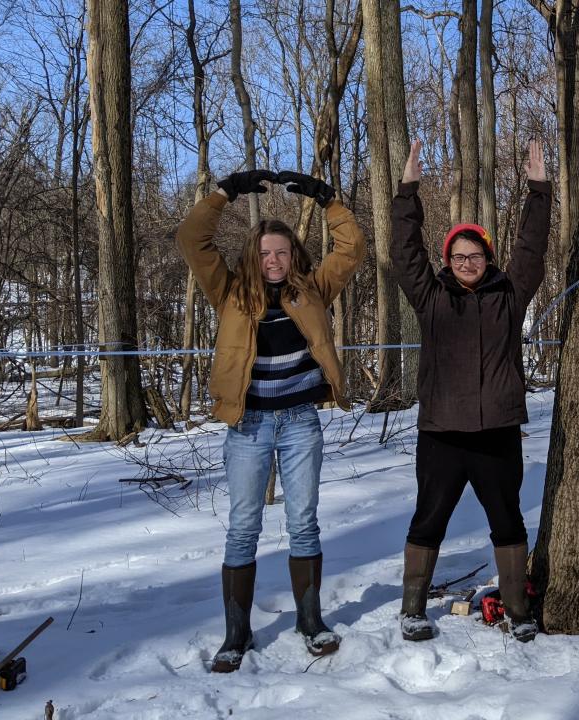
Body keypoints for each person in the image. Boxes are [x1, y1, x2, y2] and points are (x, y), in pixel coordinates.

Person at [175, 169, 366, 672]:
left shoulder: (314, 290)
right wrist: (225, 193)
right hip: (249, 429)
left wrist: (329, 200)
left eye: (281, 252)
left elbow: (351, 247)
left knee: (304, 524)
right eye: (264, 254)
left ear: (294, 255)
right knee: (243, 528)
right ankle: (235, 633)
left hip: (301, 423)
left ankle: (310, 620)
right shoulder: (231, 293)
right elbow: (191, 238)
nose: (273, 260)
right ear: (252, 259)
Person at [390, 138, 551, 643]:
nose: (467, 262)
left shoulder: (509, 295)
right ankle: (412, 608)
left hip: (497, 431)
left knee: (507, 520)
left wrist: (540, 189)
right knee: (429, 518)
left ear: (487, 256)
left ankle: (519, 609)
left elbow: (531, 248)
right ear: (448, 260)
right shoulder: (430, 296)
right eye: (458, 256)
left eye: (475, 254)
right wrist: (407, 191)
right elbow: (403, 250)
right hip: (441, 433)